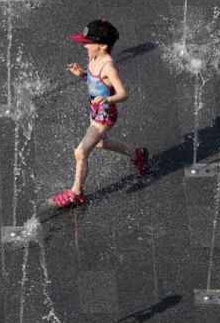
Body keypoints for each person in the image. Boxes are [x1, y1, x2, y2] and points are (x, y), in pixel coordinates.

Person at [49, 20, 148, 208]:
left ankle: (76, 193)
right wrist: (82, 75)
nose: (85, 46)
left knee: (80, 152)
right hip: (95, 111)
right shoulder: (94, 59)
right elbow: (97, 83)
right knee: (100, 143)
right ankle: (135, 153)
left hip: (104, 116)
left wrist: (107, 100)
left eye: (88, 43)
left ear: (102, 46)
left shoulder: (108, 66)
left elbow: (123, 93)